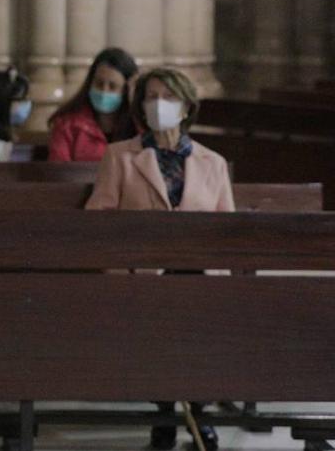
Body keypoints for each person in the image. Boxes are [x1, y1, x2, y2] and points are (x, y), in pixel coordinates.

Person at [86, 67, 233, 451]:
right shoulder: (120, 157)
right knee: (161, 334)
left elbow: (227, 231)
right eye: (151, 97)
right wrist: (121, 271)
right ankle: (165, 417)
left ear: (186, 107)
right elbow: (97, 221)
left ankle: (200, 413)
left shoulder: (212, 163)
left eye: (168, 97)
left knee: (203, 329)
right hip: (145, 275)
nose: (158, 105)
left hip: (199, 276)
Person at [47, 47, 139, 162]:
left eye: (113, 86)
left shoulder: (136, 125)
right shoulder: (67, 124)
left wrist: (136, 106)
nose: (104, 91)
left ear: (126, 91)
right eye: (99, 84)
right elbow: (59, 171)